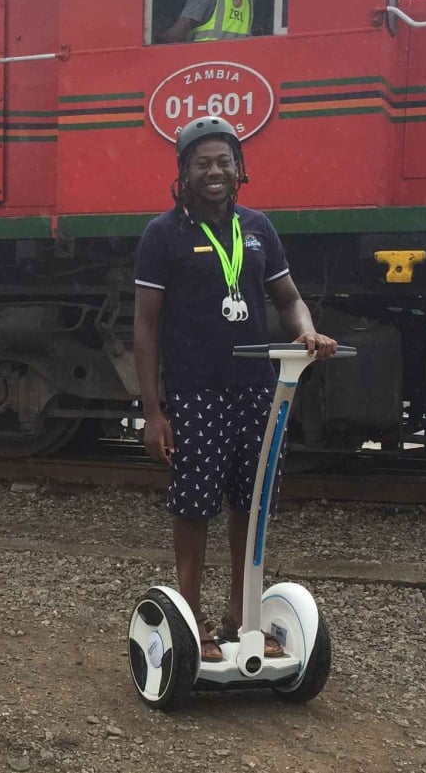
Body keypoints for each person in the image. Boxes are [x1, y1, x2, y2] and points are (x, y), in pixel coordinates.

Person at [133, 116, 337, 663]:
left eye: (224, 161)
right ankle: (192, 622)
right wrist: (153, 412)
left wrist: (306, 330)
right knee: (195, 507)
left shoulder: (259, 228)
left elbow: (288, 298)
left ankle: (242, 618)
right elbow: (145, 327)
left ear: (239, 168)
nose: (215, 171)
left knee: (252, 504)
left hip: (257, 392)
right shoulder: (162, 235)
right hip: (195, 393)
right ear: (185, 172)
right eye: (202, 163)